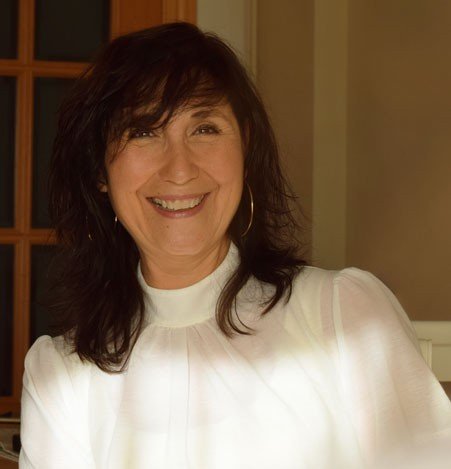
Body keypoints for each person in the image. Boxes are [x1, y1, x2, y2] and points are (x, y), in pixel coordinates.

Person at [20, 22, 451, 469]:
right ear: (99, 170)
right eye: (143, 131)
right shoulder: (61, 376)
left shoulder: (343, 317)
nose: (180, 169)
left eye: (205, 128)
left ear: (245, 147)